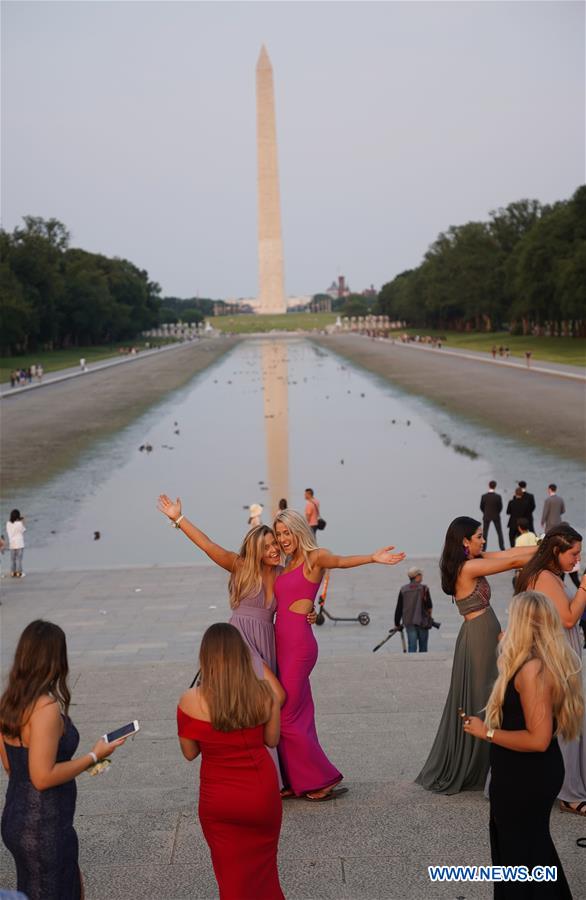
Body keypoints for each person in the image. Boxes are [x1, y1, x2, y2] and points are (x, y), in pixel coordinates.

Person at [273, 508, 405, 800]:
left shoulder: (314, 557)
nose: (283, 539)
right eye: (279, 534)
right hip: (280, 646)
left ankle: (321, 779)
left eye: (287, 532)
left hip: (299, 647)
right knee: (299, 715)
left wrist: (373, 557)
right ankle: (295, 780)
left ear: (298, 530)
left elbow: (342, 562)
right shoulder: (285, 564)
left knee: (286, 716)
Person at [462, 591, 581, 899]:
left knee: (523, 855)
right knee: (526, 852)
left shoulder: (533, 670)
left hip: (526, 776)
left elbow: (538, 740)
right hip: (522, 772)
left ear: (523, 624)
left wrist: (486, 732)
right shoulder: (532, 662)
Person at [0, 620, 127, 900]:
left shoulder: (9, 702)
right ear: (55, 659)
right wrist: (95, 755)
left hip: (16, 816)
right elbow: (42, 777)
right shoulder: (45, 708)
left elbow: (12, 767)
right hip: (44, 822)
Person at [415, 516, 537, 795]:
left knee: (489, 695)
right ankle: (482, 765)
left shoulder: (474, 559)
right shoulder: (468, 567)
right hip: (479, 637)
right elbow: (512, 563)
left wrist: (543, 545)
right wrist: (549, 547)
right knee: (486, 696)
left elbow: (510, 554)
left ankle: (488, 761)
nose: (484, 540)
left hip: (482, 633)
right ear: (465, 542)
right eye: (479, 536)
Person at [177, 623, 284, 900]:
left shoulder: (189, 700)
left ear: (206, 657)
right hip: (261, 794)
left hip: (219, 799)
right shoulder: (263, 693)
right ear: (241, 654)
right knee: (264, 870)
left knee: (231, 877)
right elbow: (271, 740)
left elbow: (190, 753)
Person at [516, 524, 586, 816]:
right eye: (573, 553)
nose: (576, 559)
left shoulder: (549, 574)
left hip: (558, 652)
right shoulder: (544, 577)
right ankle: (569, 793)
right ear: (556, 550)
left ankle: (566, 784)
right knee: (568, 721)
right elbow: (568, 618)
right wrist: (584, 586)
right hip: (553, 656)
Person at [394, 567, 433, 652]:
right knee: (423, 648)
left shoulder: (403, 589)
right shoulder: (424, 589)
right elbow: (429, 606)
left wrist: (397, 623)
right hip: (423, 622)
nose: (422, 577)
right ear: (417, 576)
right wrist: (429, 618)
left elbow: (399, 608)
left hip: (409, 622)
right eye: (421, 575)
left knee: (412, 647)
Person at [480, 480, 505, 551]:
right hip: (496, 515)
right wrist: (497, 512)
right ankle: (502, 547)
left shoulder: (484, 496)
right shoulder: (498, 497)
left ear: (489, 485)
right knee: (499, 532)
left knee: (485, 534)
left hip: (486, 516)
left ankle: (483, 549)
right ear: (495, 486)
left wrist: (485, 512)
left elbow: (481, 507)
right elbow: (500, 507)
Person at [6, 510, 25, 578]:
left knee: (12, 560)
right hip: (19, 543)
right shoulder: (19, 523)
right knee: (19, 560)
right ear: (18, 516)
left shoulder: (8, 523)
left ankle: (12, 573)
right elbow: (23, 530)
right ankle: (19, 573)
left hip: (12, 544)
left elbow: (8, 531)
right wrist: (23, 522)